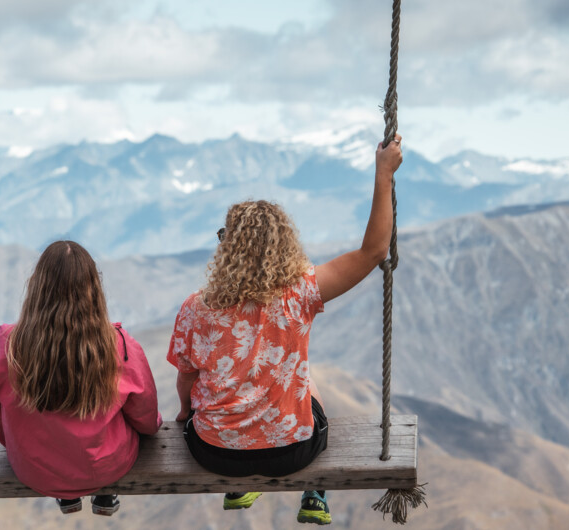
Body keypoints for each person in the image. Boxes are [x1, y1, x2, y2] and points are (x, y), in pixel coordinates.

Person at [167, 134, 403, 525]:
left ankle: (240, 484)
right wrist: (383, 175)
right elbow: (374, 252)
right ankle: (313, 493)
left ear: (227, 248)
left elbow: (186, 381)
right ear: (284, 247)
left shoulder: (197, 308)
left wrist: (182, 413)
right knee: (308, 385)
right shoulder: (302, 293)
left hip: (214, 451)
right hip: (293, 451)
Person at [0, 240, 162, 516]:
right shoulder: (119, 346)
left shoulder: (9, 345)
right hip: (107, 465)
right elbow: (144, 416)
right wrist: (151, 428)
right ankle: (102, 487)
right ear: (94, 289)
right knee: (120, 421)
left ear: (37, 287)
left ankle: (64, 493)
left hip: (36, 470)